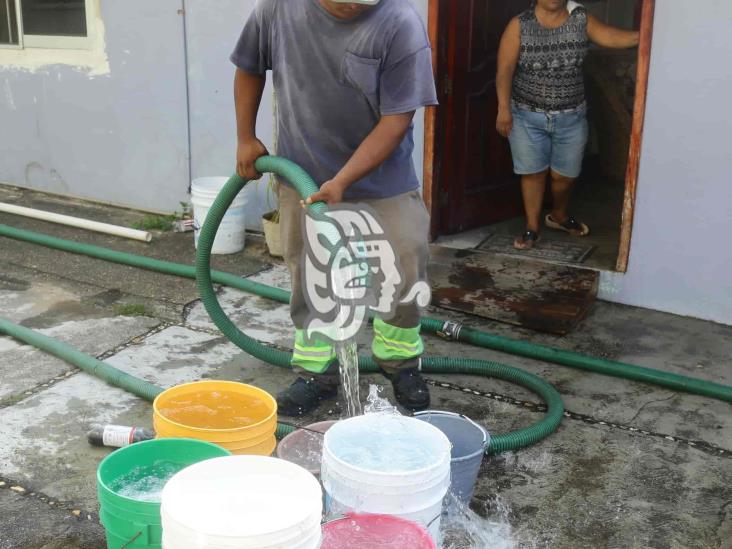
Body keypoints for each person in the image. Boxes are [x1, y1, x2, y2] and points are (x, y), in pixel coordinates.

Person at [231, 0, 438, 415]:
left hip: (382, 180)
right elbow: (250, 66)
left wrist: (343, 181)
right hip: (303, 172)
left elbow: (397, 119)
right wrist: (245, 137)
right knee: (310, 271)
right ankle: (316, 371)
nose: (353, 8)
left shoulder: (399, 22)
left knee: (406, 260)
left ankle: (400, 362)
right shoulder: (278, 9)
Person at [496, 0, 640, 250]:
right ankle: (532, 227)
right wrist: (503, 109)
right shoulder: (519, 25)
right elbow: (505, 69)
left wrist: (646, 34)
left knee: (565, 176)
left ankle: (559, 214)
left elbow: (609, 36)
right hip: (527, 115)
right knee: (532, 173)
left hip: (571, 116)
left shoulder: (581, 18)